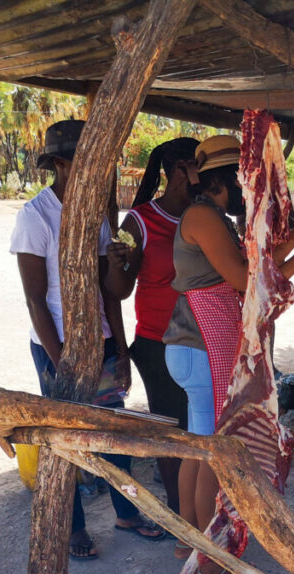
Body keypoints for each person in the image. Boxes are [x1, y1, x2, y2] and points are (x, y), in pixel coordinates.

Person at [163, 134, 294, 574]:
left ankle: (189, 540)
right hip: (201, 347)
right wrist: (291, 240)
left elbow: (250, 279)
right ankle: (210, 559)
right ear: (229, 179)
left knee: (201, 446)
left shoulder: (214, 217)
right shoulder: (201, 216)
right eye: (247, 183)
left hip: (199, 346)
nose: (250, 193)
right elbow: (241, 278)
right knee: (214, 453)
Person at [11, 119, 165, 560]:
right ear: (59, 163)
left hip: (100, 342)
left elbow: (110, 292)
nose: (95, 168)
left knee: (112, 433)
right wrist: (62, 365)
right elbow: (36, 302)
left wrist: (119, 349)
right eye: (85, 158)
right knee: (66, 442)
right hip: (55, 347)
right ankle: (73, 527)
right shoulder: (34, 217)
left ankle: (126, 513)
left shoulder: (94, 213)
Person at [104, 137, 198, 522]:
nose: (204, 175)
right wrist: (117, 262)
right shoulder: (138, 221)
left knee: (201, 428)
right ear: (178, 171)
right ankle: (180, 516)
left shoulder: (206, 215)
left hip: (200, 340)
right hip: (157, 344)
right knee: (172, 429)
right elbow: (119, 289)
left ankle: (198, 508)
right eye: (198, 166)